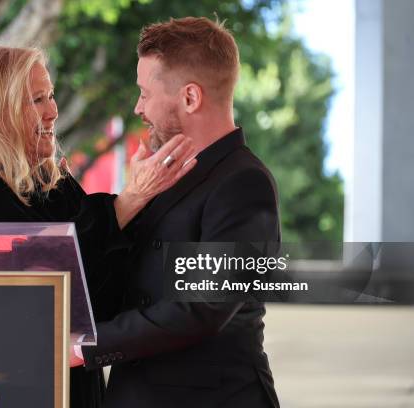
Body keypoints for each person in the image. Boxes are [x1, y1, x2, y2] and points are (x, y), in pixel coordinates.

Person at [0, 43, 196, 408]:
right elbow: (41, 272)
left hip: (77, 381)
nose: (52, 112)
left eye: (51, 96)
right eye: (36, 100)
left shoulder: (54, 181)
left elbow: (97, 289)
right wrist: (130, 199)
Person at [76, 17, 281, 408]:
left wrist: (84, 344)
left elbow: (199, 308)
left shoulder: (244, 184)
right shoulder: (162, 172)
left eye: (144, 93)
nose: (137, 107)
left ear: (190, 97)